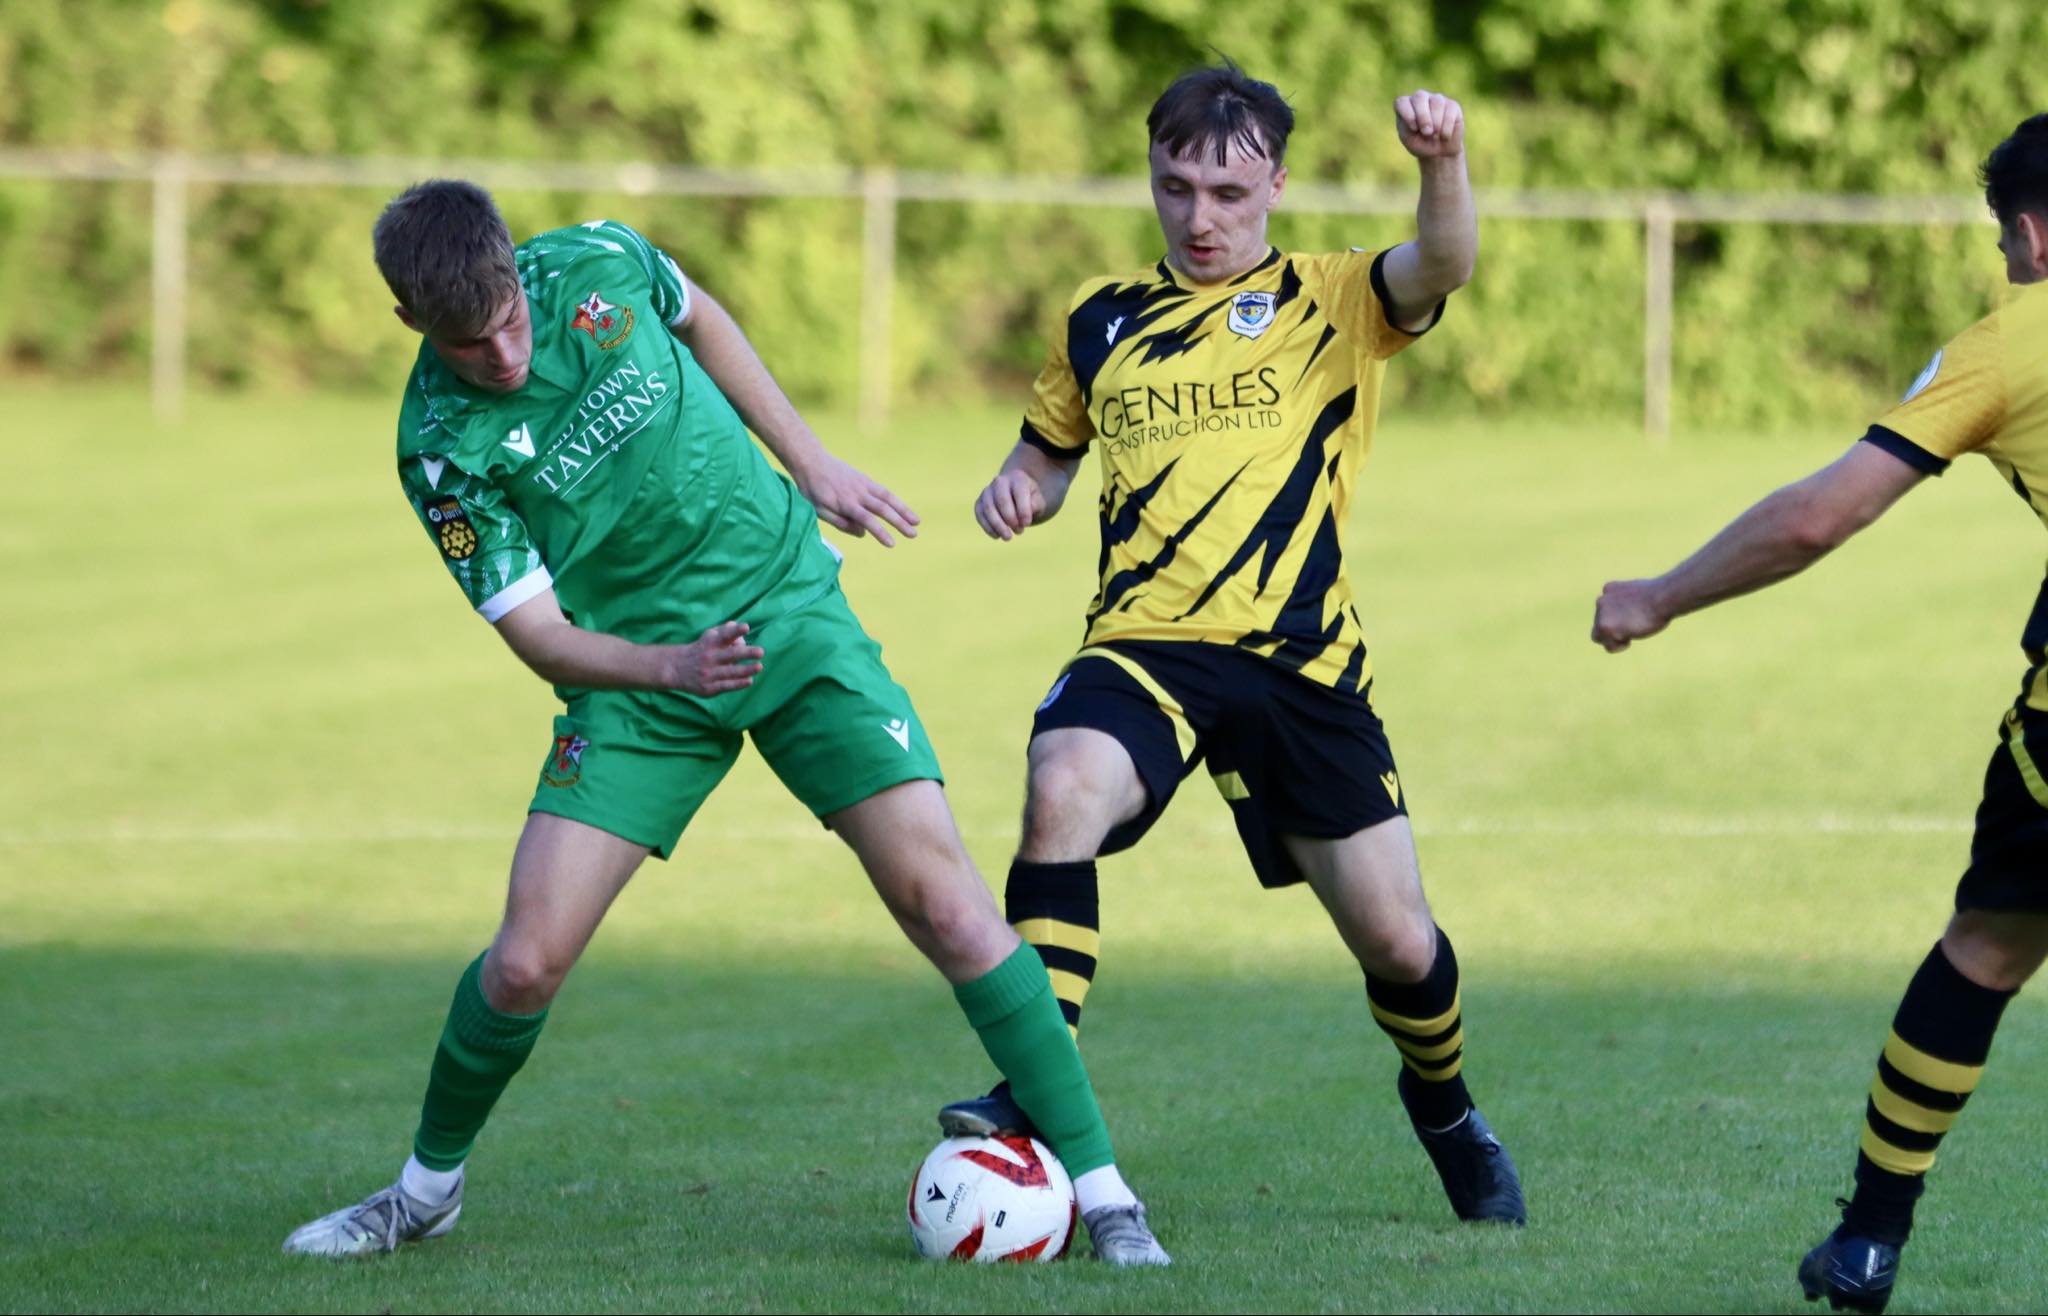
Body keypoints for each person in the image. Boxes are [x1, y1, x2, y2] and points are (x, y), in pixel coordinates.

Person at [280, 180, 1169, 1265]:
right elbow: (539, 633)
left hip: (788, 613)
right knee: (522, 963)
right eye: (469, 345)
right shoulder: (438, 447)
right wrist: (670, 667)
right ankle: (424, 1191)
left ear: (518, 265)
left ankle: (1107, 1193)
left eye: (510, 317)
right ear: (411, 325)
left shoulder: (599, 261)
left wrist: (813, 462)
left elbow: (700, 316)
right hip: (639, 678)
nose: (505, 356)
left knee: (945, 901)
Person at [944, 63, 1526, 1227]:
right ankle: (1033, 1087)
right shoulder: (1099, 319)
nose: (1199, 218)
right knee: (1059, 784)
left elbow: (1443, 264)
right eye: (1174, 188)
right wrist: (1016, 489)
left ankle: (1450, 1112)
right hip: (1146, 648)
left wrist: (1441, 165)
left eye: (1225, 191)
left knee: (1398, 941)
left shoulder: (1333, 297)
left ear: (1273, 184)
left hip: (1300, 658)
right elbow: (1045, 455)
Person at [1592, 114, 2048, 1316]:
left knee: (1986, 948)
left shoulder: (2009, 344)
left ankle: (1866, 1239)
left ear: (2032, 233)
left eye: (2003, 244)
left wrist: (1661, 594)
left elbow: (1818, 514)